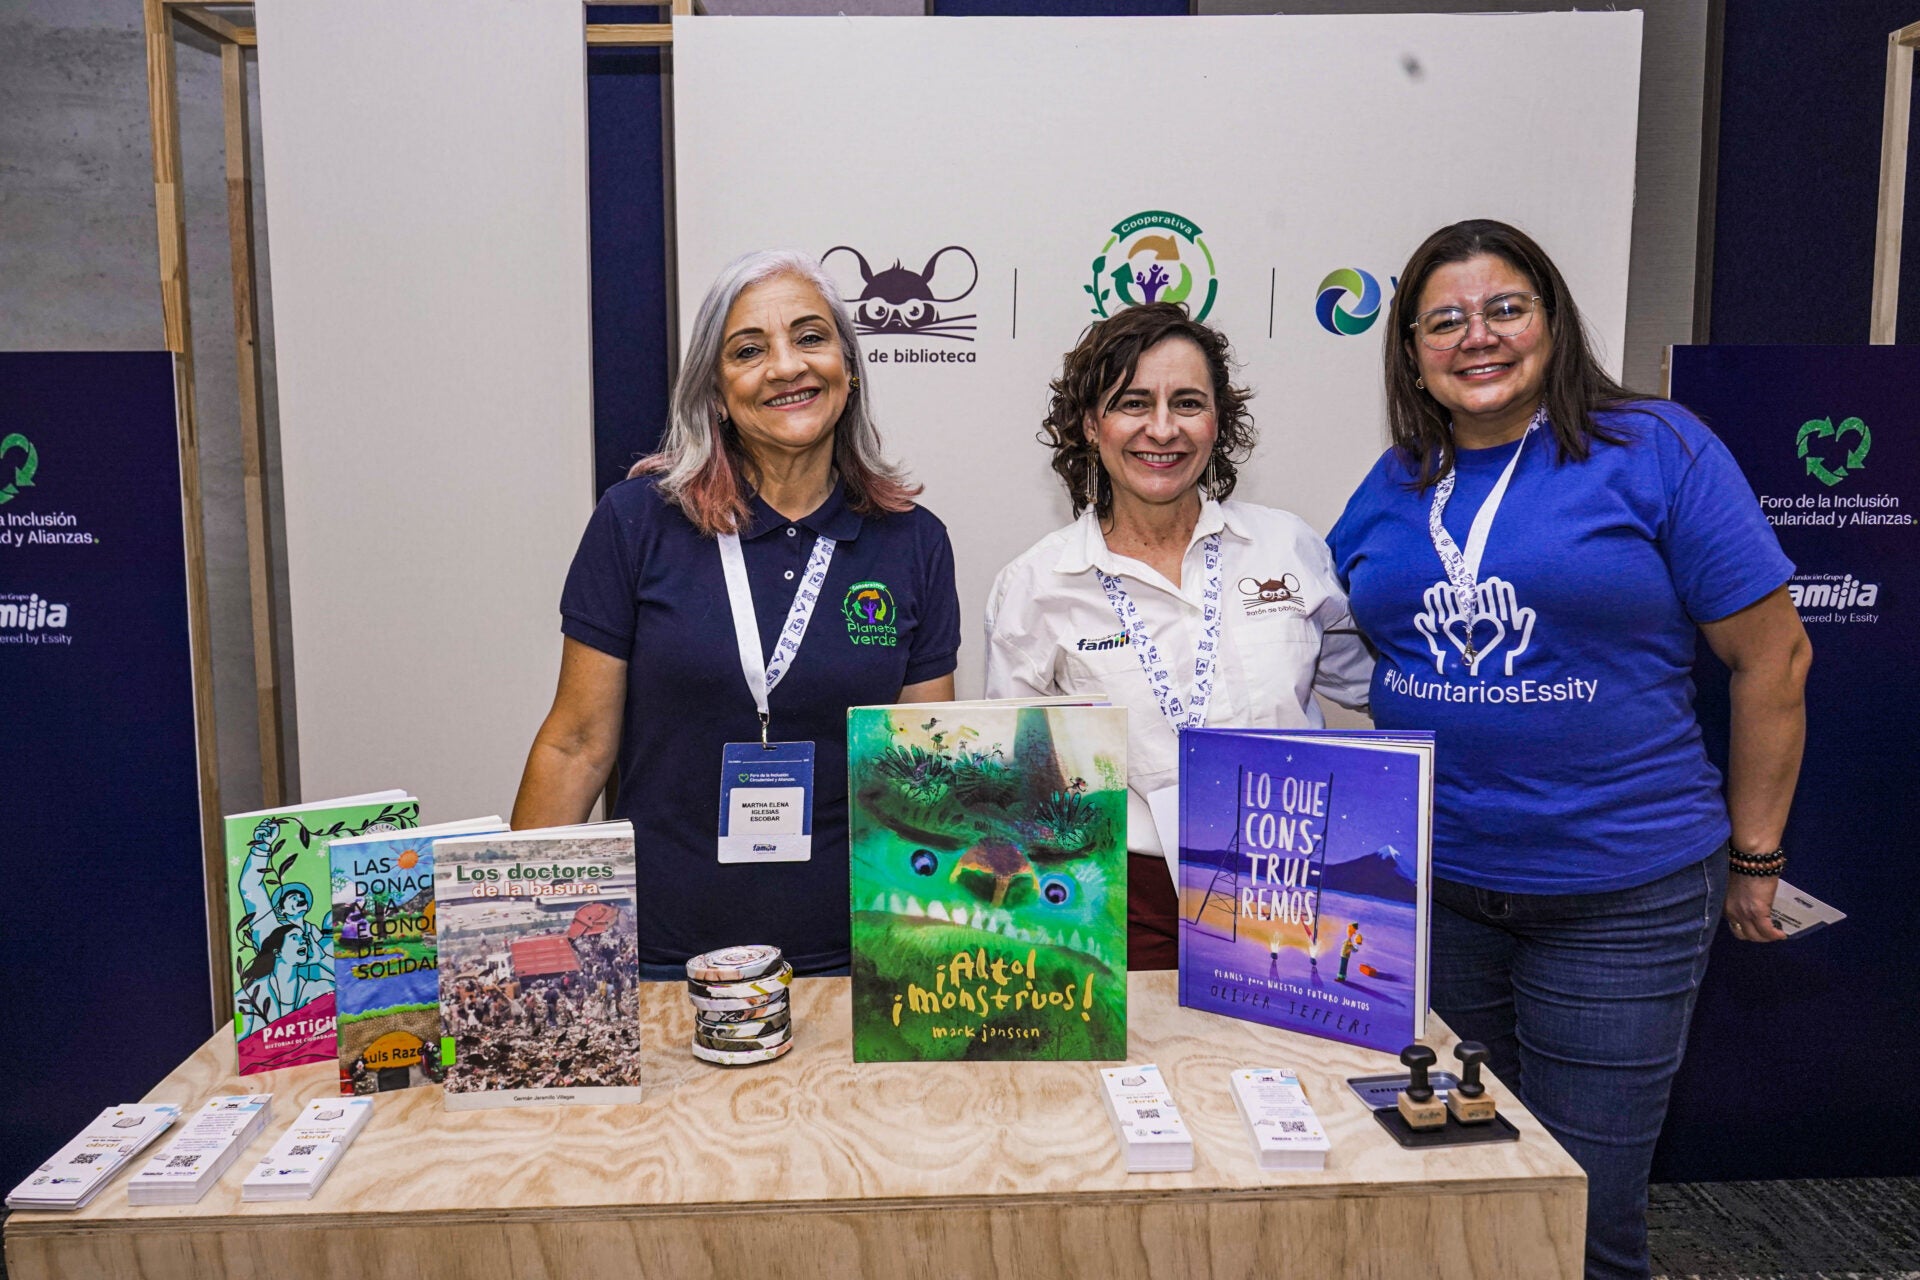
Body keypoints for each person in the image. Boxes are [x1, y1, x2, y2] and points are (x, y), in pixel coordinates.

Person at [1326, 219, 1810, 1280]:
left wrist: (1758, 850)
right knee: (1454, 1176)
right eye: (1444, 320)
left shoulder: (1657, 448)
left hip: (1619, 894)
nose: (1477, 336)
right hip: (1440, 889)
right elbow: (1357, 640)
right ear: (1411, 351)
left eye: (1506, 308)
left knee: (1581, 1213)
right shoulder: (1397, 479)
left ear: (1553, 320)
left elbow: (1773, 658)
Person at [512, 249, 960, 978]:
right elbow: (576, 745)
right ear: (717, 393)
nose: (787, 366)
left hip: (857, 963)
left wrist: (939, 957)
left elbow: (923, 774)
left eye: (811, 338)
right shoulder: (636, 523)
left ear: (847, 368)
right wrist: (514, 936)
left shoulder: (913, 542)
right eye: (749, 350)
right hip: (657, 956)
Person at [984, 302, 1372, 969]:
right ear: (1089, 423)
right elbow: (1011, 782)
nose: (1162, 429)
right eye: (1133, 402)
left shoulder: (1287, 547)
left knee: (1285, 1071)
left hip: (1294, 886)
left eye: (1187, 402)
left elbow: (1375, 682)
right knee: (1139, 1077)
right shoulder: (1038, 586)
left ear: (1218, 421)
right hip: (1122, 905)